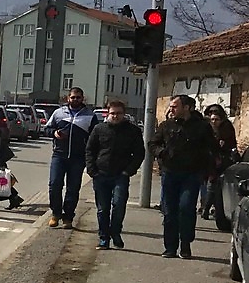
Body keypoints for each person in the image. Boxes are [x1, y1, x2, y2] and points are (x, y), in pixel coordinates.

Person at [148, 93, 218, 259]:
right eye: (171, 106)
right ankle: (170, 247)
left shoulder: (201, 127)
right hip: (170, 173)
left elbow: (212, 147)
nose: (171, 109)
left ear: (186, 108)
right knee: (169, 210)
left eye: (175, 106)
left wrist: (209, 168)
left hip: (192, 174)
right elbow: (153, 143)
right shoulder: (166, 125)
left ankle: (185, 244)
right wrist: (161, 152)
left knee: (186, 208)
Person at [85, 99, 145, 250]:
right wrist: (92, 170)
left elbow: (139, 153)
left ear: (124, 114)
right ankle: (103, 238)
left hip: (120, 175)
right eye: (113, 113)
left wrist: (128, 171)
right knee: (102, 209)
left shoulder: (132, 131)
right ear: (107, 113)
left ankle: (116, 232)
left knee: (119, 205)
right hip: (101, 174)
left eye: (119, 113)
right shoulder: (99, 129)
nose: (115, 116)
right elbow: (90, 150)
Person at [44, 87, 95, 229]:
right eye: (73, 97)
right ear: (68, 98)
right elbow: (46, 128)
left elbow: (94, 137)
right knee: (54, 184)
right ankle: (55, 213)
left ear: (82, 99)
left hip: (78, 157)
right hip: (59, 155)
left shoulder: (90, 115)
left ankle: (68, 217)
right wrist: (54, 133)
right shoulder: (58, 113)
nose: (75, 100)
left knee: (73, 188)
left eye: (78, 97)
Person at [198, 104, 239, 220]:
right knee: (209, 184)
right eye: (212, 118)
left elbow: (230, 144)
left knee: (214, 184)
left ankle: (208, 208)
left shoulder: (226, 128)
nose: (214, 121)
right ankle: (207, 207)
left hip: (222, 160)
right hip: (209, 160)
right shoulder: (207, 127)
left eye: (216, 119)